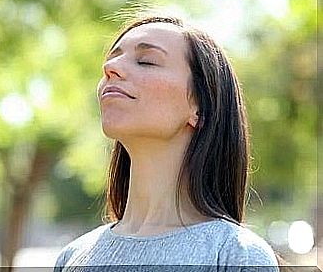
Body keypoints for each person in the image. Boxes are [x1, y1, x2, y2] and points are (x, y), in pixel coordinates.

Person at [54, 14, 279, 270]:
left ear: (200, 108)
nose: (111, 69)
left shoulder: (235, 255)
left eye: (146, 61)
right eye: (112, 59)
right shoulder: (71, 257)